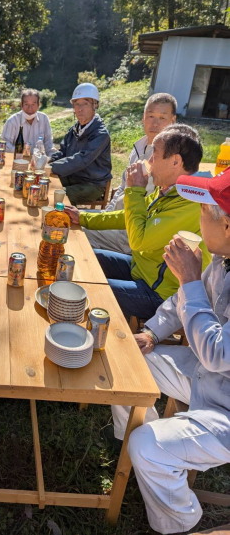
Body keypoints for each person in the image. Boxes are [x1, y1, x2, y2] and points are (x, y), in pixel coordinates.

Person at [110, 168, 230, 535]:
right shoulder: (223, 260)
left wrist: (190, 278)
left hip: (224, 404)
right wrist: (150, 332)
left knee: (147, 444)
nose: (198, 218)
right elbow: (182, 301)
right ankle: (138, 457)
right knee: (127, 361)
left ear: (227, 226)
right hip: (209, 379)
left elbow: (217, 353)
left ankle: (179, 523)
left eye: (205, 212)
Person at [66, 124, 211, 320]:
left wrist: (135, 189)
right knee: (82, 259)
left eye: (155, 155)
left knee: (84, 288)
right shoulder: (170, 190)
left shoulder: (191, 202)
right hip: (141, 271)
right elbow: (130, 215)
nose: (149, 161)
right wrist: (83, 217)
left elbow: (138, 241)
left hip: (160, 296)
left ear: (175, 161)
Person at [80, 92, 177, 254]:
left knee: (74, 230)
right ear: (143, 118)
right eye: (151, 116)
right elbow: (122, 188)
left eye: (162, 118)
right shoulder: (139, 147)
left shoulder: (169, 158)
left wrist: (106, 220)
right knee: (68, 217)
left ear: (173, 121)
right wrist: (106, 214)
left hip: (130, 232)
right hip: (114, 218)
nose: (155, 123)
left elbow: (149, 208)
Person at [49, 82, 112, 205]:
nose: (80, 109)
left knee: (56, 196)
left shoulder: (100, 134)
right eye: (77, 104)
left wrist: (51, 168)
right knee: (45, 184)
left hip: (93, 184)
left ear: (95, 105)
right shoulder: (74, 130)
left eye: (85, 104)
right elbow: (62, 152)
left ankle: (59, 222)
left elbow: (82, 159)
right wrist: (47, 161)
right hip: (73, 177)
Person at [1, 88, 55, 156]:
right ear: (21, 105)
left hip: (37, 161)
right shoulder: (12, 121)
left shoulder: (44, 119)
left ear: (39, 105)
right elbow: (5, 144)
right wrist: (21, 152)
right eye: (26, 104)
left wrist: (52, 158)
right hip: (17, 159)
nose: (30, 108)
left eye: (33, 104)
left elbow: (48, 143)